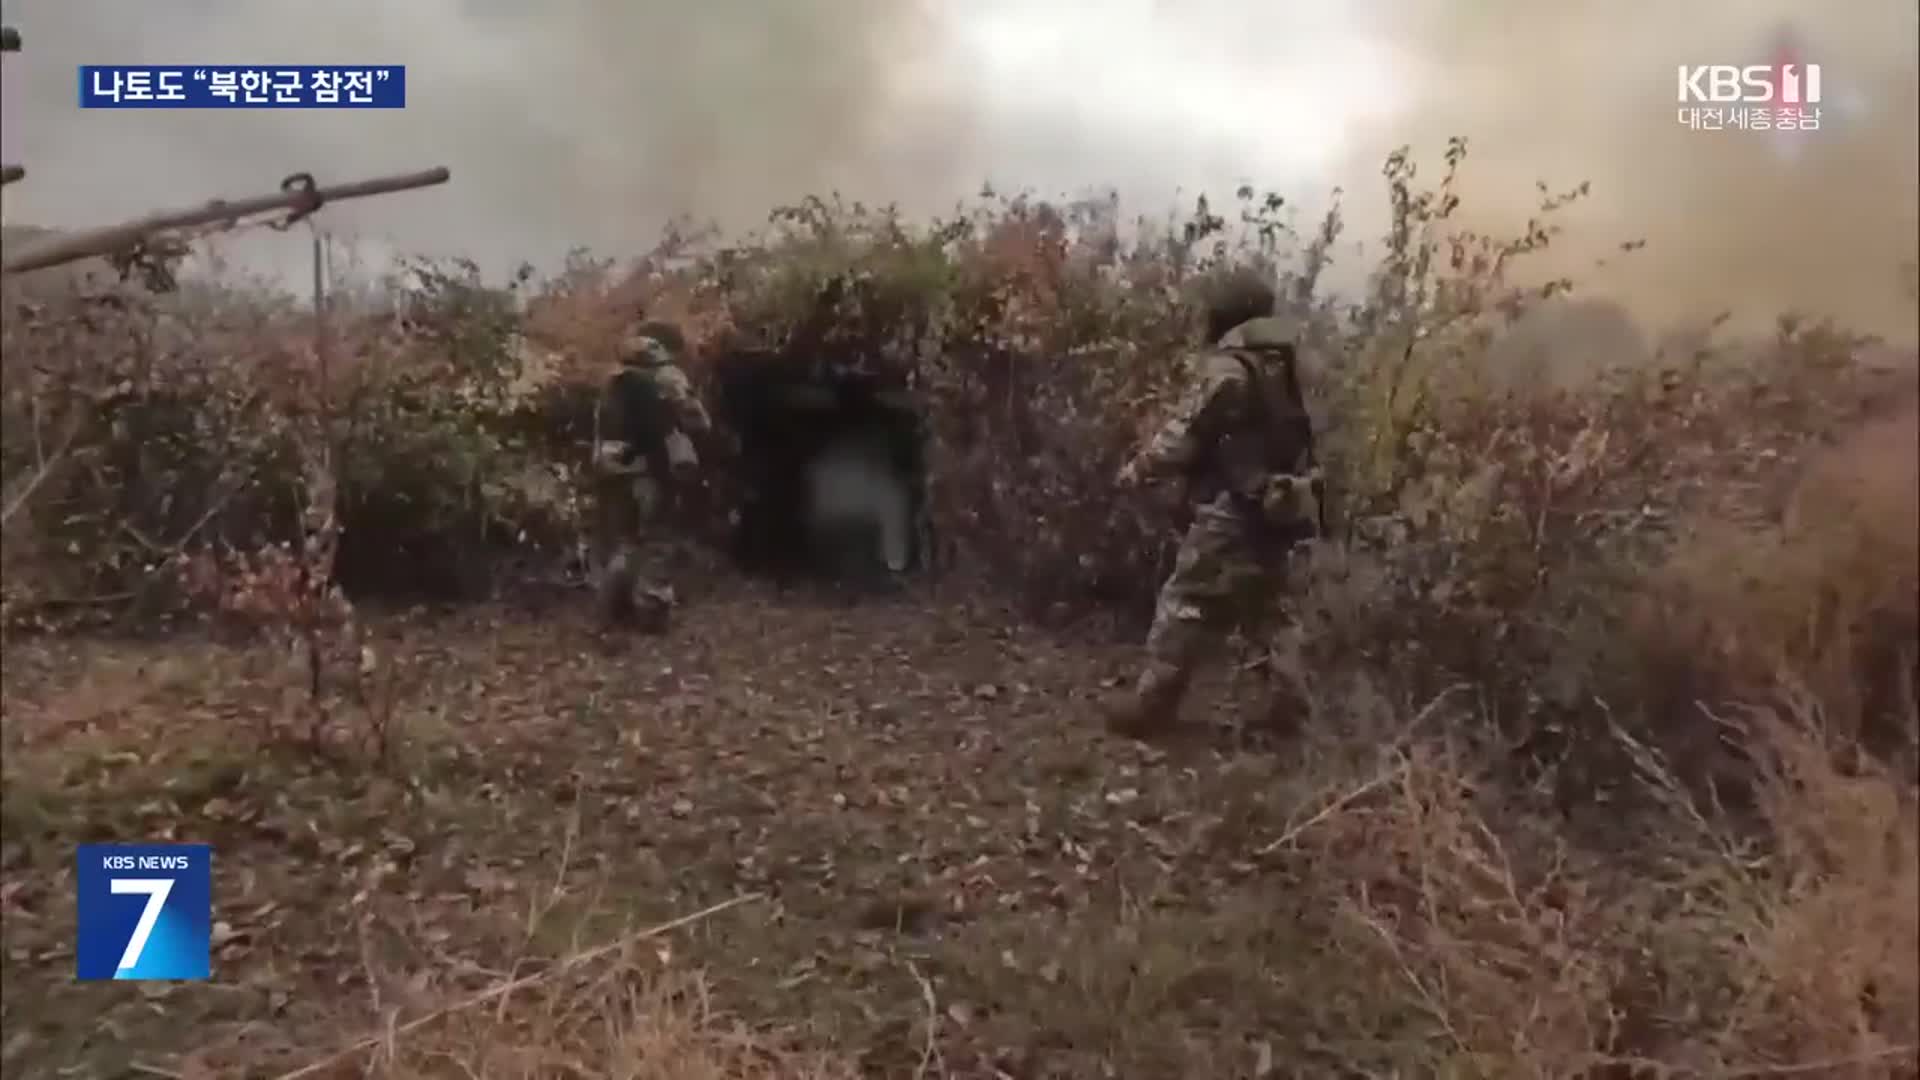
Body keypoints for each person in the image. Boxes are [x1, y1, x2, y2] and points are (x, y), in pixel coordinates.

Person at [1103, 267, 1327, 739]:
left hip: (1240, 508)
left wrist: (1138, 470)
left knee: (1185, 597)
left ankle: (1153, 707)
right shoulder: (1294, 362)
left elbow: (1185, 437)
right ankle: (1291, 712)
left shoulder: (1231, 368)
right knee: (1269, 609)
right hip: (1284, 504)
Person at [591, 320, 712, 631]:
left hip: (612, 470)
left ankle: (611, 610)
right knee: (658, 540)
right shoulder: (667, 377)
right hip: (651, 470)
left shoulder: (612, 380)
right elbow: (698, 421)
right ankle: (652, 613)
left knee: (625, 542)